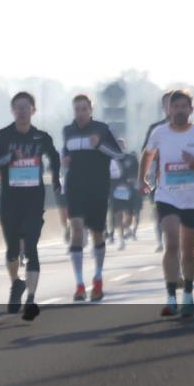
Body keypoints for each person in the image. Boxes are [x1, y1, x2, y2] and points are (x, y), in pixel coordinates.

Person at [139, 90, 194, 317]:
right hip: (167, 196)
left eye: (183, 106)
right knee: (172, 243)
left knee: (188, 251)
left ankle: (188, 295)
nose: (179, 110)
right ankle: (170, 298)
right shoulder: (159, 132)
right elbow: (147, 155)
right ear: (168, 109)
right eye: (175, 107)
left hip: (193, 199)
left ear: (191, 109)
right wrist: (142, 179)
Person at [0, 91, 61, 321]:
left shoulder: (41, 137)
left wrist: (56, 180)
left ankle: (31, 299)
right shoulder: (1, 137)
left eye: (26, 107)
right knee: (12, 250)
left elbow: (54, 159)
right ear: (12, 110)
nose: (22, 111)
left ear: (33, 110)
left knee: (32, 246)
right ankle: (16, 283)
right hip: (9, 202)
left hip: (34, 201)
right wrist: (5, 160)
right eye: (18, 107)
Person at [62, 95, 123, 302]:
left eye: (83, 109)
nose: (80, 113)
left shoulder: (102, 129)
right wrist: (65, 159)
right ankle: (79, 284)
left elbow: (117, 154)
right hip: (75, 188)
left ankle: (97, 279)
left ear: (91, 110)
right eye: (76, 109)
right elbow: (65, 152)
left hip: (97, 188)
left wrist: (99, 145)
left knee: (98, 233)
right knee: (76, 229)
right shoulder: (68, 131)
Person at [142, 91, 173, 252]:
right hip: (158, 178)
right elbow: (146, 152)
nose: (171, 107)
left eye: (173, 103)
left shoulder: (191, 129)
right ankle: (161, 239)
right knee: (159, 211)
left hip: (182, 180)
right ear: (163, 107)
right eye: (167, 104)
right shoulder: (155, 129)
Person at [109, 139, 138, 250]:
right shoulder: (110, 160)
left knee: (129, 216)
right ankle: (121, 240)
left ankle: (127, 228)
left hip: (129, 190)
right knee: (117, 214)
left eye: (121, 145)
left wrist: (132, 181)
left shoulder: (131, 158)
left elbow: (137, 173)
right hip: (115, 191)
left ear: (124, 146)